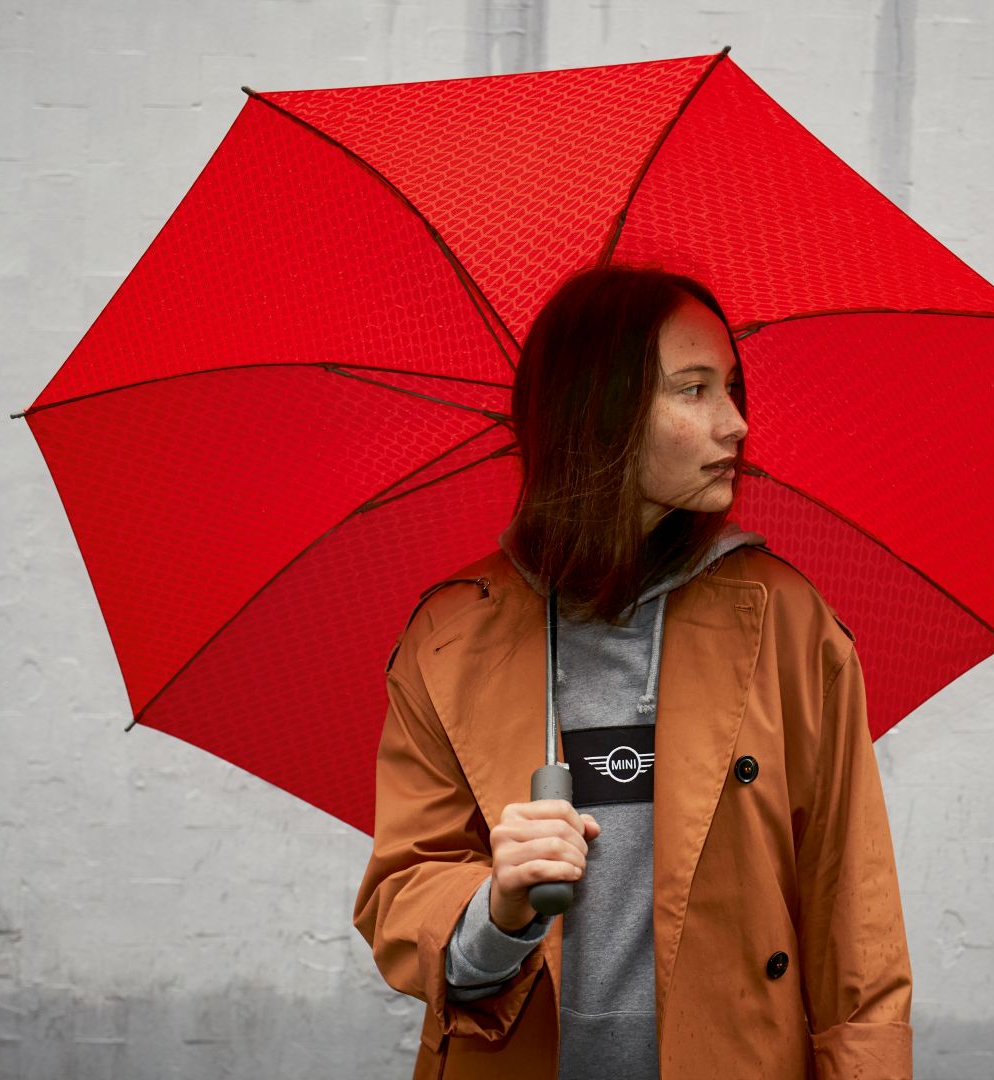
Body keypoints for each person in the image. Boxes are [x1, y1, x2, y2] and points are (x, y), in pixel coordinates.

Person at [353, 263, 913, 1080]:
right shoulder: (451, 640)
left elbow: (854, 921)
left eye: (732, 388)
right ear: (600, 414)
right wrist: (499, 908)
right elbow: (405, 899)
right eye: (694, 390)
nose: (735, 423)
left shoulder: (786, 623)